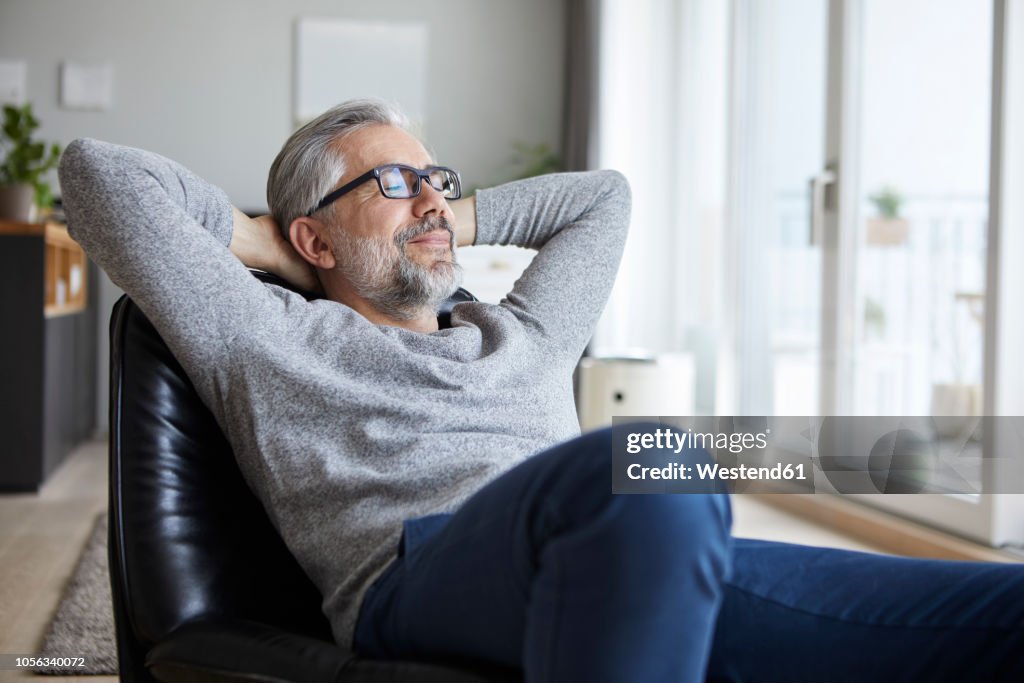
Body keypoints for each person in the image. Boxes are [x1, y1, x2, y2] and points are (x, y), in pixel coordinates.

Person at [59, 99, 1023, 682]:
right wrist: (270, 239)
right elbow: (98, 174)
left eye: (436, 176)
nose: (433, 195)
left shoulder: (522, 330)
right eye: (392, 181)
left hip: (626, 543)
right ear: (315, 239)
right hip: (423, 569)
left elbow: (604, 196)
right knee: (644, 464)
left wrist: (433, 212)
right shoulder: (266, 333)